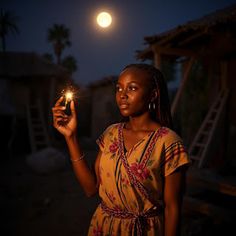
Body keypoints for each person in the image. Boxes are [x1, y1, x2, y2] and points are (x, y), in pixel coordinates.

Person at [52, 63, 191, 236]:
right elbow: (90, 189)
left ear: (153, 95)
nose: (122, 95)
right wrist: (71, 137)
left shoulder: (169, 142)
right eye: (119, 88)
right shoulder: (111, 133)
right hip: (104, 227)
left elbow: (172, 209)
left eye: (132, 88)